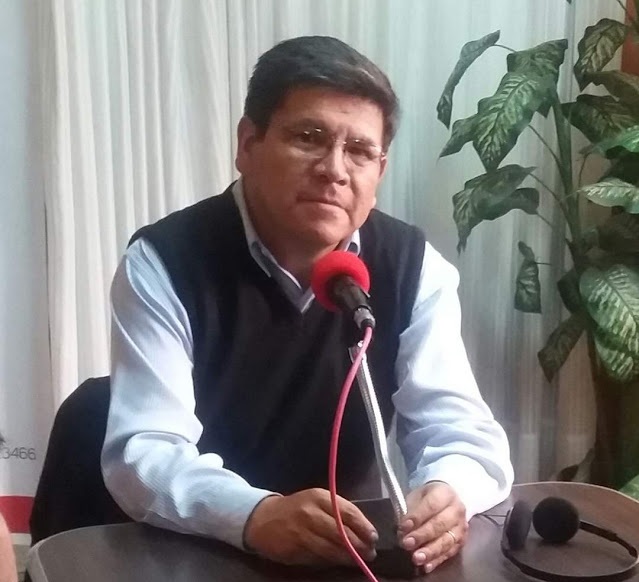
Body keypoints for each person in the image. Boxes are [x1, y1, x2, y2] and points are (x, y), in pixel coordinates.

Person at [102, 35, 513, 574]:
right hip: (197, 548)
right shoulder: (165, 262)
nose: (334, 169)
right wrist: (254, 514)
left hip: (347, 548)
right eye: (308, 137)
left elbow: (461, 431)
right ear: (248, 144)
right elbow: (144, 453)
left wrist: (448, 489)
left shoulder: (414, 267)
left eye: (360, 151)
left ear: (380, 171)